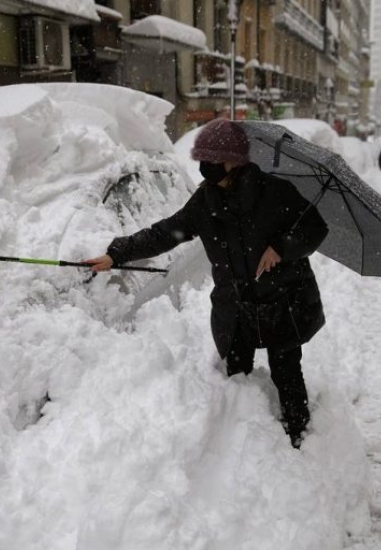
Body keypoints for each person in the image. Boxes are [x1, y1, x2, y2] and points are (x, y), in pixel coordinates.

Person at [85, 119, 328, 449]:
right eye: (202, 160)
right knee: (236, 375)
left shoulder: (275, 192)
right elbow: (165, 233)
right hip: (237, 306)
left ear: (235, 160)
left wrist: (282, 248)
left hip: (282, 300)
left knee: (286, 370)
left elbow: (315, 227)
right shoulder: (206, 203)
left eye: (213, 161)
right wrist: (118, 253)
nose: (206, 168)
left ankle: (299, 436)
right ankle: (241, 444)